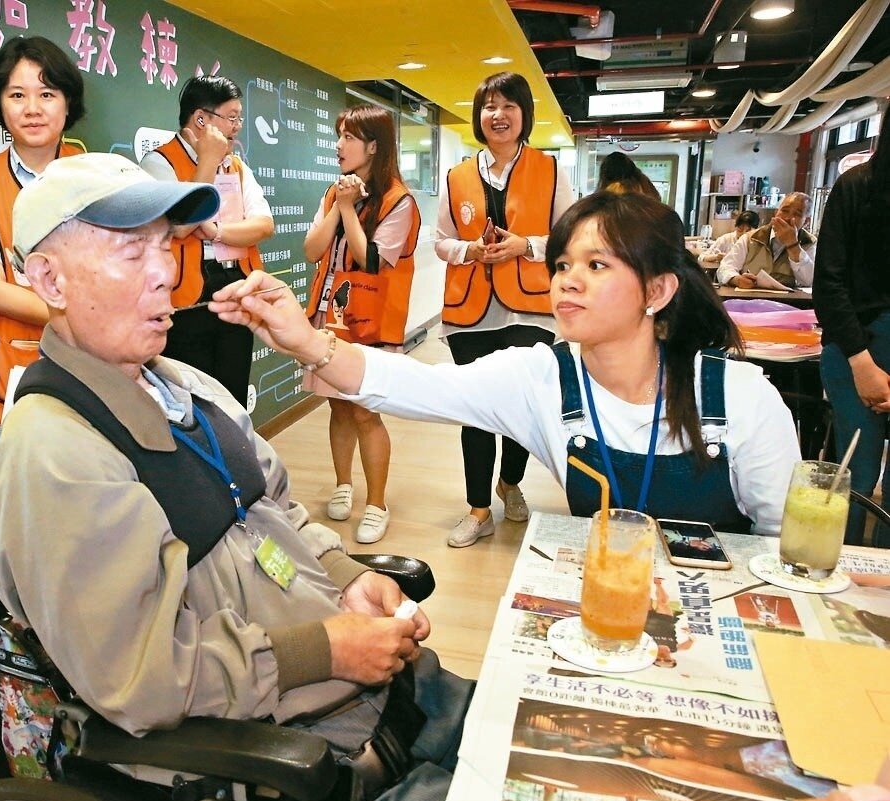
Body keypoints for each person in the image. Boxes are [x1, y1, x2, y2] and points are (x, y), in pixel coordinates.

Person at [0, 153, 472, 801]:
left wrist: (345, 577)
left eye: (165, 246)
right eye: (131, 252)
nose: (165, 272)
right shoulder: (55, 457)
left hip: (389, 687)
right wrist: (329, 648)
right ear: (49, 279)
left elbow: (274, 510)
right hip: (304, 754)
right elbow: (143, 677)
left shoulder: (188, 386)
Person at [213, 191, 799, 536]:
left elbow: (785, 546)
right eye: (563, 264)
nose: (568, 281)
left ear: (657, 290)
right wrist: (306, 342)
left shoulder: (741, 397)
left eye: (597, 266)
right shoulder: (542, 378)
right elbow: (414, 385)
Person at [434, 72, 576, 547]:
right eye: (489, 106)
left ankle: (510, 482)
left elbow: (568, 236)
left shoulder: (550, 169)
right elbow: (441, 241)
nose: (498, 115)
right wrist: (470, 251)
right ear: (478, 116)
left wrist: (525, 245)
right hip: (469, 310)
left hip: (530, 308)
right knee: (475, 409)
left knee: (520, 406)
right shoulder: (456, 176)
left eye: (508, 106)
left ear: (523, 115)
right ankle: (478, 509)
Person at [0, 36, 86, 448]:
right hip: (17, 374)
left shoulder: (99, 177)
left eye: (47, 94)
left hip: (96, 369)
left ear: (67, 103)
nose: (32, 109)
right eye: (17, 95)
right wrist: (86, 318)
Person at [303, 104, 420, 544]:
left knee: (365, 411)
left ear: (373, 146)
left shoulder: (398, 200)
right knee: (337, 405)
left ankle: (376, 504)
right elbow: (312, 250)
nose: (339, 145)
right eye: (339, 135)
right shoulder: (335, 193)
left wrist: (349, 209)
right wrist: (340, 204)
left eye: (348, 137)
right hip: (328, 317)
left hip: (368, 323)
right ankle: (342, 485)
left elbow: (369, 260)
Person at [140, 74, 274, 405]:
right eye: (231, 117)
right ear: (201, 119)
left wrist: (217, 232)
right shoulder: (159, 162)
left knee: (232, 394)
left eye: (239, 118)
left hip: (235, 289)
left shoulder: (237, 167)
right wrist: (209, 161)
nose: (237, 127)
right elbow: (180, 226)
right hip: (185, 300)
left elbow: (263, 224)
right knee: (191, 398)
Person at [814, 104, 890, 545]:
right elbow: (829, 282)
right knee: (854, 475)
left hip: (864, 342)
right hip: (856, 345)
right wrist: (861, 362)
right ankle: (840, 566)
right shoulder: (857, 185)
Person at [718, 192, 815, 288]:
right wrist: (736, 279)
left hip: (789, 298)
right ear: (776, 213)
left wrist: (792, 244)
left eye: (797, 214)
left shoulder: (809, 242)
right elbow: (725, 268)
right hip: (750, 296)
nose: (787, 218)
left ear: (806, 222)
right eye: (784, 211)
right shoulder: (750, 238)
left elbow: (809, 281)